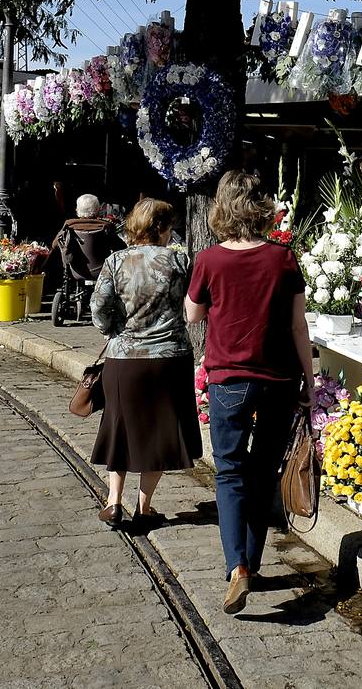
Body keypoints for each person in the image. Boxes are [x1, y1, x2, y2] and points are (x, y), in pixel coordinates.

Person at [186, 171, 315, 615]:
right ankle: (253, 563)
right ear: (261, 207)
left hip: (229, 380)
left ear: (222, 208)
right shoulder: (283, 258)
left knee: (229, 472)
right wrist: (311, 382)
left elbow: (193, 315)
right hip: (278, 379)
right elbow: (299, 326)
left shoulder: (209, 260)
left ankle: (237, 566)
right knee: (263, 473)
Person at [89, 198, 199, 531]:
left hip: (124, 359)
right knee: (160, 433)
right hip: (170, 358)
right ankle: (144, 506)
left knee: (119, 428)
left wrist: (114, 331)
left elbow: (98, 309)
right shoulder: (180, 259)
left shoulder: (115, 262)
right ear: (165, 228)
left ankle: (113, 502)